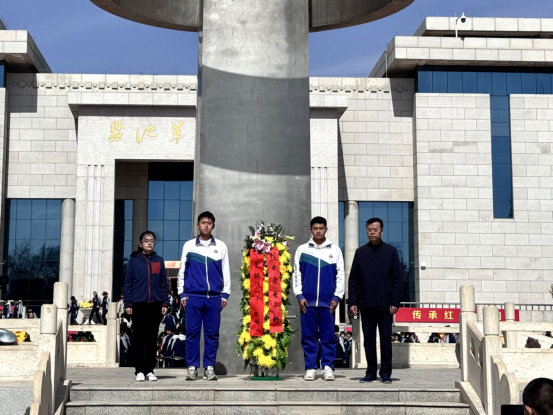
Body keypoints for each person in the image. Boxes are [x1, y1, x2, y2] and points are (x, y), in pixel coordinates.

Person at [177, 211, 231, 381]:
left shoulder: (221, 246)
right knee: (192, 333)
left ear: (213, 225)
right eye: (203, 222)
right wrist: (182, 294)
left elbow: (226, 271)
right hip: (193, 297)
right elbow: (182, 271)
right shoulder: (189, 246)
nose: (206, 225)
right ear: (198, 225)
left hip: (214, 298)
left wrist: (225, 294)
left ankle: (209, 367)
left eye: (209, 223)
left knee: (212, 334)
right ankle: (192, 368)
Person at [348, 217, 401, 384]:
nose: (372, 232)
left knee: (385, 340)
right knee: (368, 340)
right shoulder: (360, 252)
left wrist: (395, 302)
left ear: (381, 231)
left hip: (385, 305)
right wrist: (353, 302)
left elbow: (397, 279)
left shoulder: (391, 252)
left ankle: (385, 373)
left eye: (375, 230)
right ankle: (370, 372)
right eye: (369, 230)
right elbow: (354, 279)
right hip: (366, 304)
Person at [293, 216, 345, 381]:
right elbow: (296, 274)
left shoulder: (335, 250)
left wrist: (337, 296)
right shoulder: (302, 250)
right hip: (306, 302)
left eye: (321, 228)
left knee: (328, 336)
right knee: (308, 337)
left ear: (326, 230)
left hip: (328, 302)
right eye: (315, 228)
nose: (318, 231)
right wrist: (299, 294)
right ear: (310, 230)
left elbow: (341, 275)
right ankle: (310, 367)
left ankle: (328, 367)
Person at [123, 230, 169, 382]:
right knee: (139, 338)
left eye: (152, 240)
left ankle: (149, 369)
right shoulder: (134, 261)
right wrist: (128, 303)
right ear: (140, 244)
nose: (149, 242)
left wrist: (164, 302)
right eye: (146, 240)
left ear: (154, 244)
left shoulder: (159, 260)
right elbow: (128, 284)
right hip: (138, 304)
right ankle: (139, 370)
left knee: (151, 339)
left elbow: (163, 284)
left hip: (155, 305)